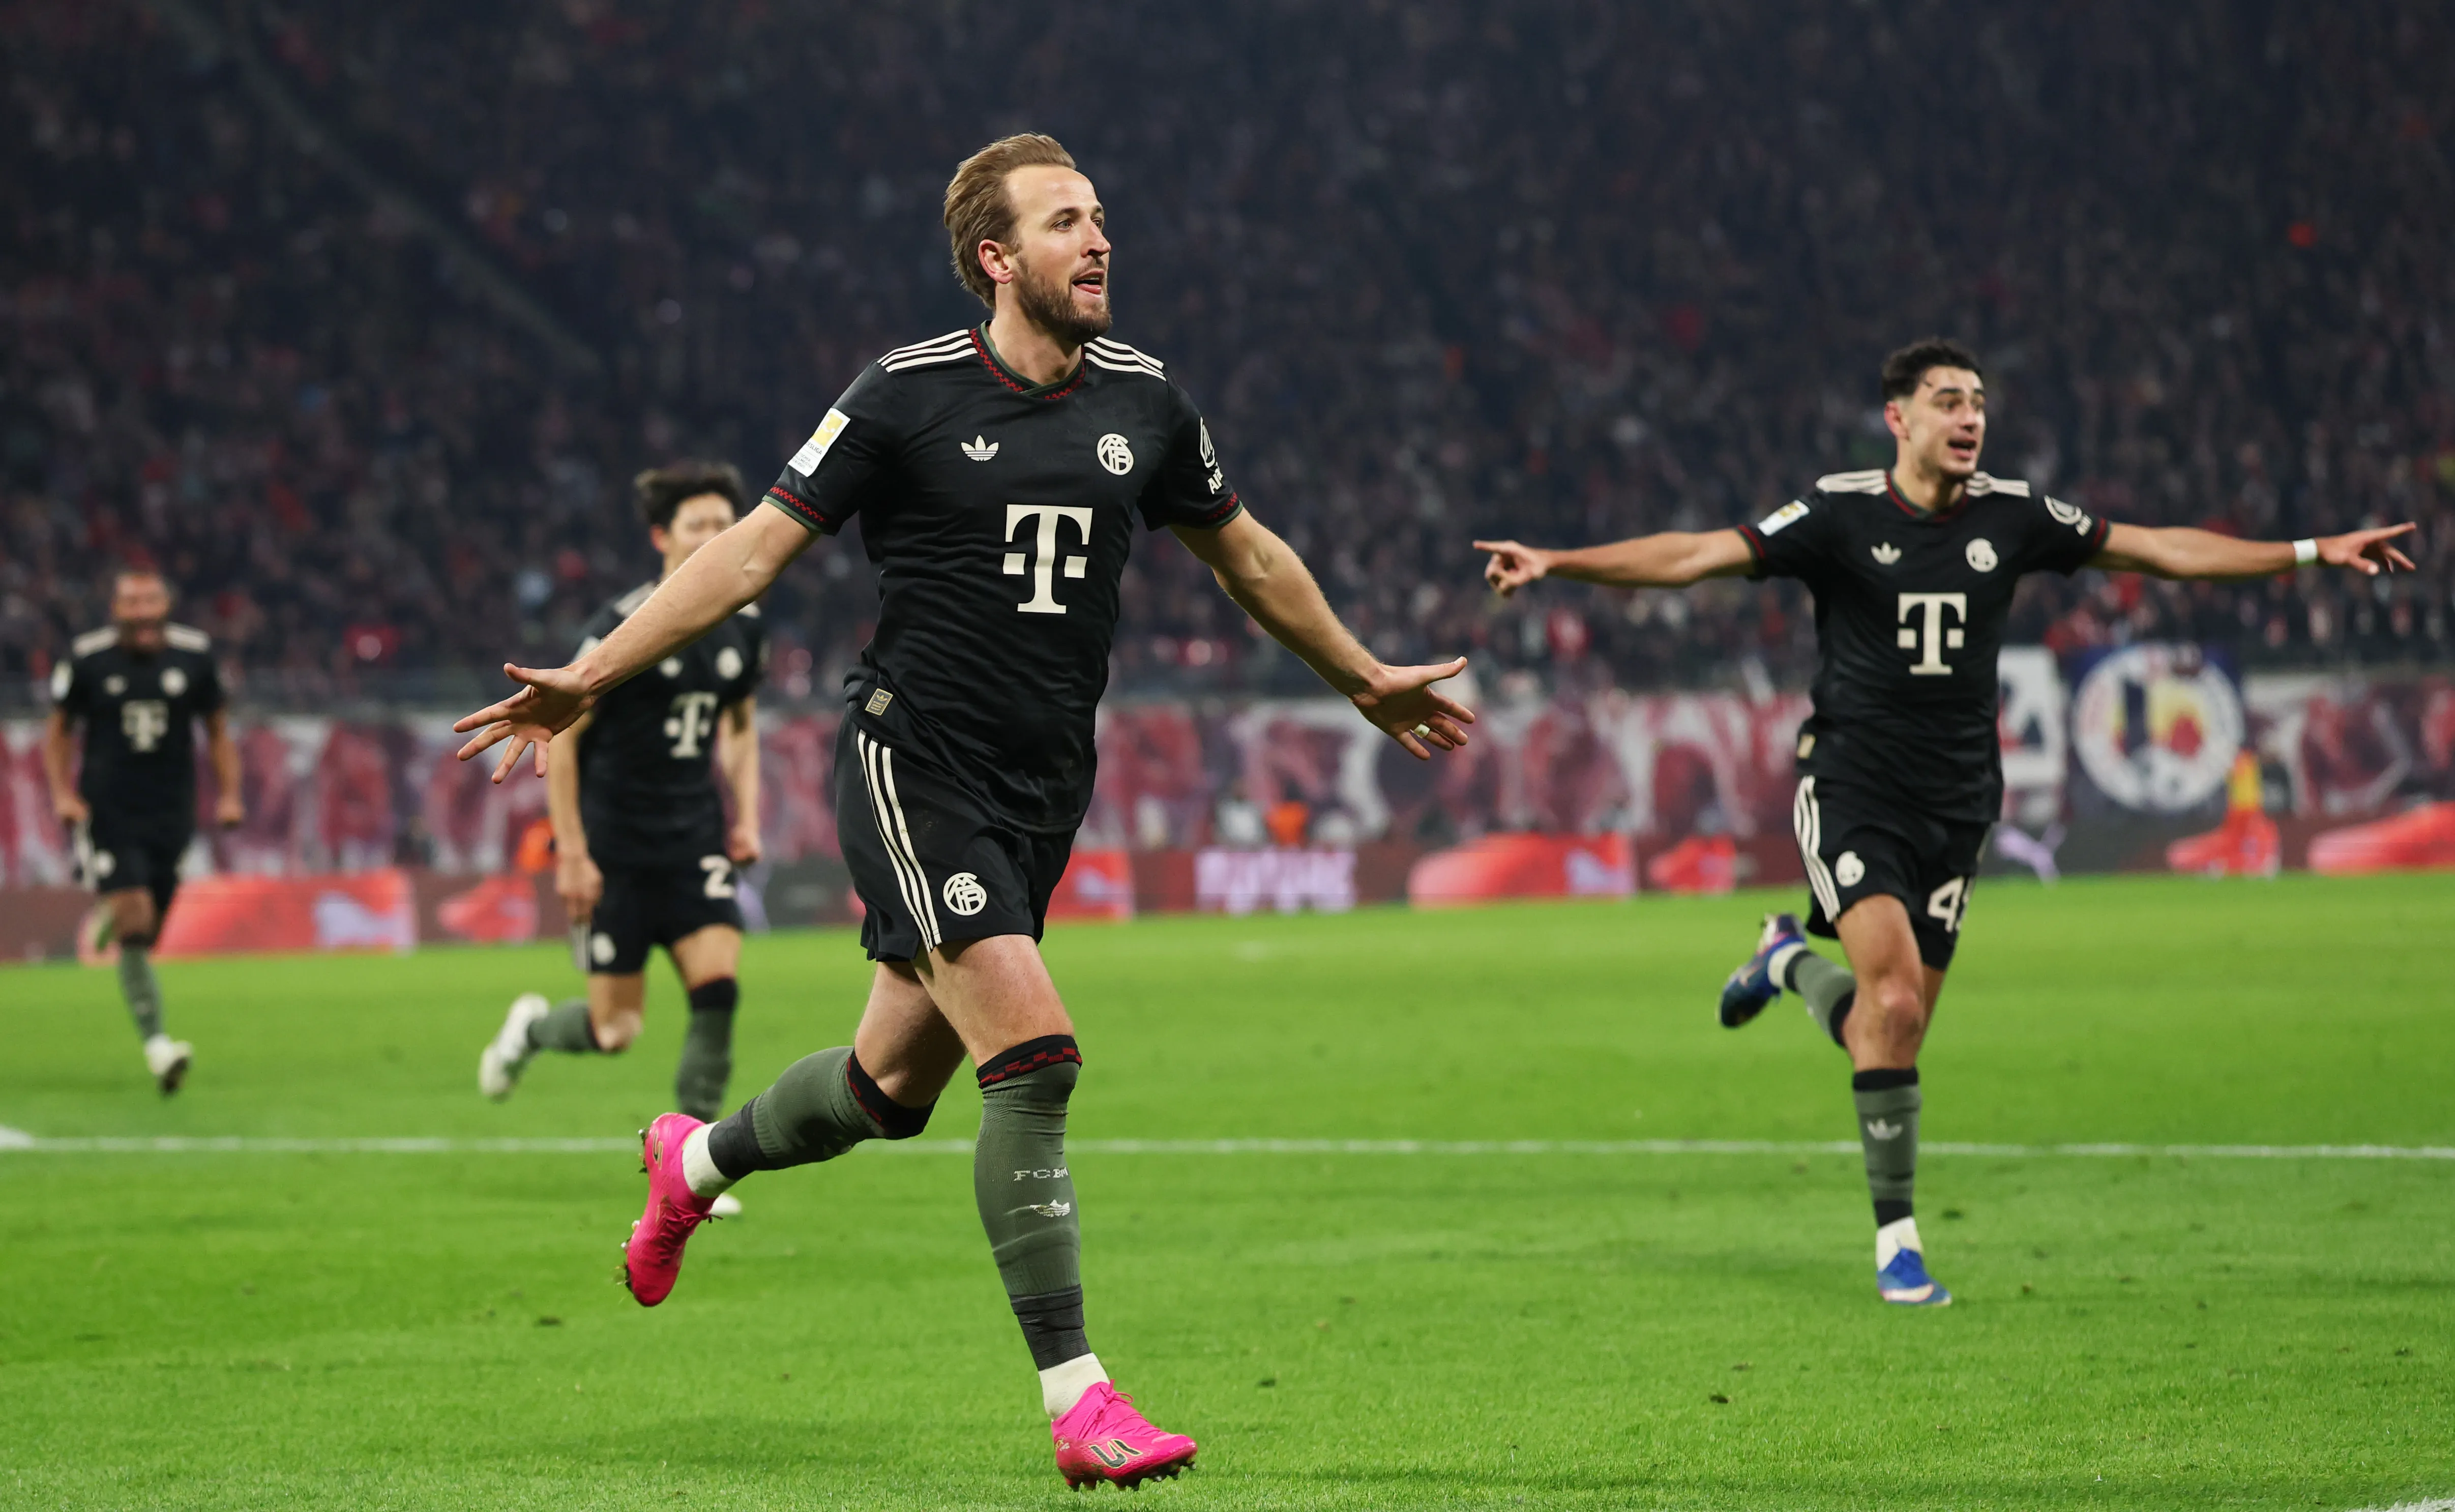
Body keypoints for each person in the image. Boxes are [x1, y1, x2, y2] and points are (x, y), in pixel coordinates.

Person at [453, 133, 1474, 1488]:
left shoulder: (1149, 401)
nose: (1099, 240)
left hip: (1043, 788)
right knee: (1036, 1057)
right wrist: (588, 673)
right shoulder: (902, 396)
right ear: (995, 259)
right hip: (910, 763)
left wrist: (1359, 674)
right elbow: (752, 550)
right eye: (1065, 223)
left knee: (886, 1089)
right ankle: (1080, 1398)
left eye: (1101, 216)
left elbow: (1249, 552)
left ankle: (690, 1159)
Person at [1476, 337, 2415, 1308]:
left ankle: (1783, 961)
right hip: (1851, 786)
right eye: (1947, 402)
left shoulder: (2015, 515)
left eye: (1977, 403)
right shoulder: (1837, 511)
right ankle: (1898, 1244)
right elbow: (1693, 555)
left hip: (1958, 799)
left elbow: (2162, 548)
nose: (1969, 419)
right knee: (1888, 1004)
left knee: (1898, 1026)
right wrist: (1558, 563)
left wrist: (2313, 550)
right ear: (1900, 419)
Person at [478, 463, 765, 1147]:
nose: (714, 537)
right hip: (616, 850)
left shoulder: (743, 627)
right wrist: (572, 853)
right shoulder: (618, 628)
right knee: (615, 1031)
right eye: (698, 525)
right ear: (661, 536)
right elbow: (564, 744)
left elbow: (740, 726)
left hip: (693, 838)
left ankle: (692, 1160)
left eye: (726, 526)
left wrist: (747, 816)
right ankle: (532, 1030)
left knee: (718, 989)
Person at [42, 568, 243, 1093]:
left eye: (150, 600)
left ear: (166, 605)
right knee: (136, 926)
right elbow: (59, 732)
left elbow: (218, 732)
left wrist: (229, 794)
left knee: (147, 931)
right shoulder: (88, 659)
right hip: (109, 810)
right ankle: (159, 1048)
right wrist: (63, 793)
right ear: (116, 609)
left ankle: (113, 911)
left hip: (171, 812)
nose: (142, 611)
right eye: (131, 602)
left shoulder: (195, 657)